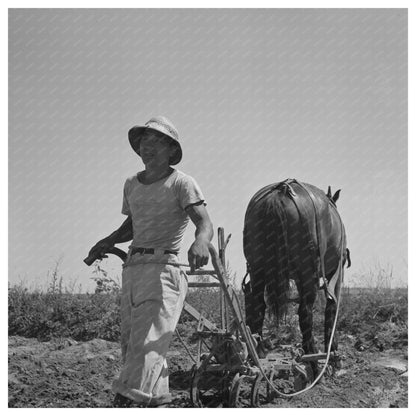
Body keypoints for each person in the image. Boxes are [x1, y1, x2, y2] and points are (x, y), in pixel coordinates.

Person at [87, 116, 213, 407]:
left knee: (148, 343)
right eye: (144, 141)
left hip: (163, 270)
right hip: (133, 268)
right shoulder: (132, 184)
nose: (148, 147)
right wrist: (108, 240)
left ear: (171, 149)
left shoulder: (182, 183)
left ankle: (126, 402)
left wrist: (201, 241)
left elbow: (204, 222)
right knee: (135, 344)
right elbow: (133, 224)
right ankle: (157, 401)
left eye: (156, 142)